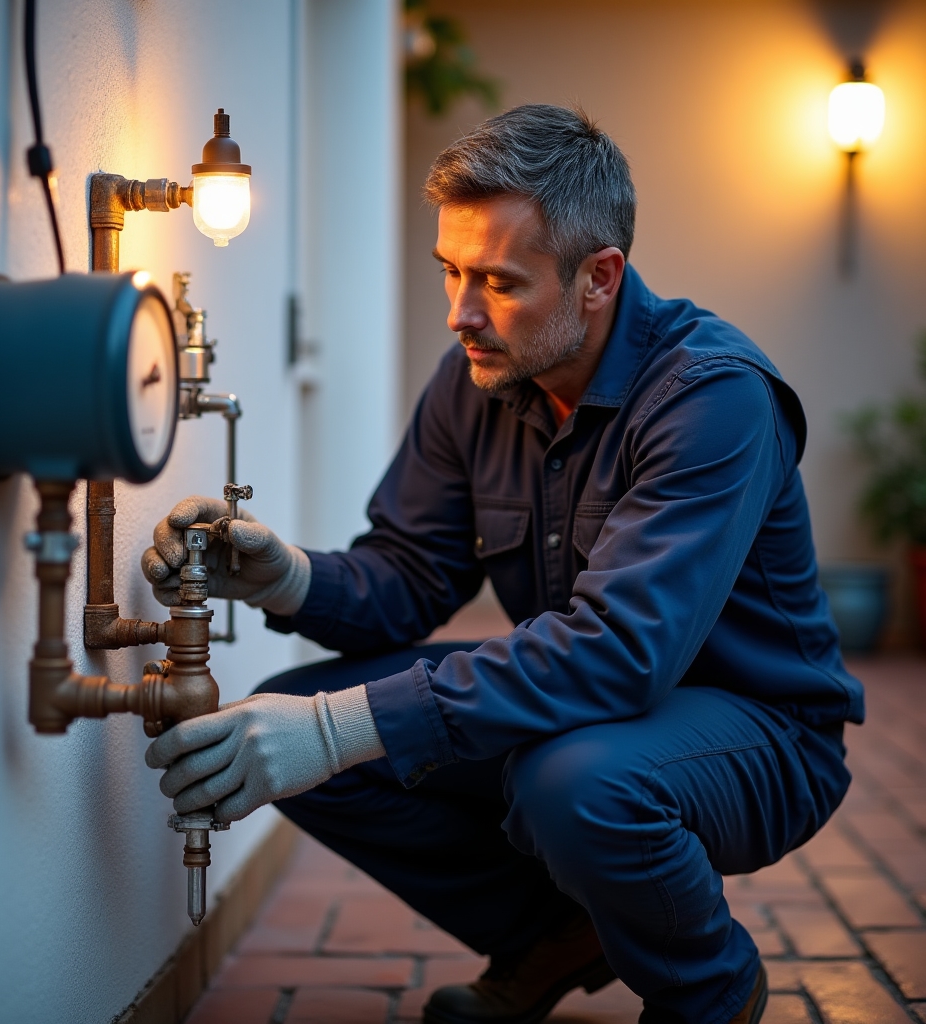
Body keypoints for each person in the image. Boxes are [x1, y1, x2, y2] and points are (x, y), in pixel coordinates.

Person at [140, 105, 862, 1024]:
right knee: (296, 731)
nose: (460, 314)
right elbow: (411, 573)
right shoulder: (479, 375)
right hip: (591, 708)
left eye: (499, 282)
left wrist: (336, 728)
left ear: (599, 277)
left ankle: (708, 988)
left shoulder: (712, 397)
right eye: (450, 271)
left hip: (762, 732)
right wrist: (286, 577)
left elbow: (620, 652)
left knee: (571, 781)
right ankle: (556, 933)